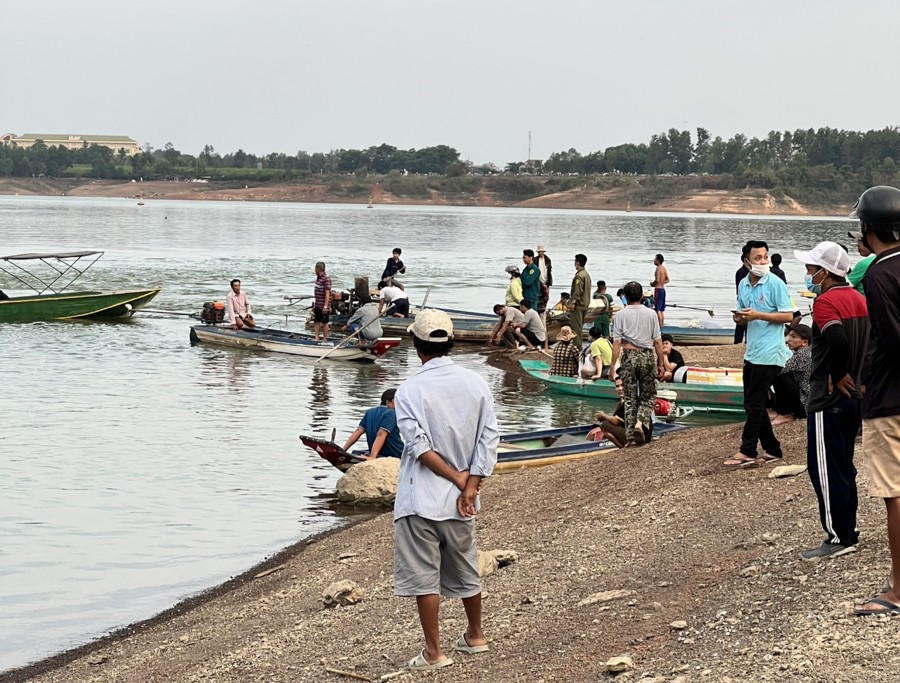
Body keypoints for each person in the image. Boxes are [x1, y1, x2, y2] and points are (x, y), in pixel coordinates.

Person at [393, 309, 498, 670]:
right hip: (461, 502)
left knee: (425, 577)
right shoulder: (476, 383)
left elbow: (418, 447)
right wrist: (471, 485)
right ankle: (475, 635)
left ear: (416, 344)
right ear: (451, 342)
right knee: (465, 565)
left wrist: (457, 479)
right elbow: (489, 437)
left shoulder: (409, 390)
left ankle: (435, 652)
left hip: (420, 498)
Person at [792, 242, 868, 562]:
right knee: (843, 465)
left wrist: (837, 374)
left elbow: (836, 338)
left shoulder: (825, 302)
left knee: (823, 467)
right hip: (856, 398)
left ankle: (838, 535)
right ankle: (848, 529)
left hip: (829, 399)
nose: (808, 274)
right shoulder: (860, 300)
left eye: (812, 269)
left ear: (825, 273)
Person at [847, 187, 900, 615]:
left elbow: (893, 341)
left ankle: (898, 590)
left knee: (894, 493)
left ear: (869, 228)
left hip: (890, 399)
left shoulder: (880, 274)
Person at [724, 240, 794, 468]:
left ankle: (748, 450)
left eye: (765, 257)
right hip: (752, 350)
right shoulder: (744, 284)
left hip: (771, 351)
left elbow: (788, 316)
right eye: (758, 258)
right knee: (752, 402)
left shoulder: (775, 283)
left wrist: (759, 315)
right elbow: (744, 312)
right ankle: (773, 449)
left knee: (754, 402)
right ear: (746, 262)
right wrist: (740, 318)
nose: (763, 261)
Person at [609, 281, 664, 447]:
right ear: (641, 296)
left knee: (630, 397)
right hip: (646, 355)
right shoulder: (651, 314)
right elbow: (658, 341)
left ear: (625, 296)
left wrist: (612, 367)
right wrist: (660, 363)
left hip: (628, 355)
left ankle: (631, 437)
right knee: (648, 395)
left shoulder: (620, 315)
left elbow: (617, 343)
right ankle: (640, 424)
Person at [342, 388, 404, 460]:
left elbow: (358, 431)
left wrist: (343, 451)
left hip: (378, 453)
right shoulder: (392, 413)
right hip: (396, 453)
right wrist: (372, 457)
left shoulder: (370, 412)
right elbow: (381, 434)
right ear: (388, 402)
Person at [770, 323, 812, 426]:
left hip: (805, 404)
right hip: (807, 401)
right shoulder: (808, 352)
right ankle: (777, 411)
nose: (788, 339)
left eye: (793, 337)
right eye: (789, 335)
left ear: (804, 342)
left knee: (778, 375)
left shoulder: (803, 354)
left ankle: (785, 414)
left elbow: (779, 371)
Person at [594, 373, 650, 448]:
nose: (620, 388)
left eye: (622, 385)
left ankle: (625, 447)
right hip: (633, 431)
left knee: (605, 425)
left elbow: (616, 421)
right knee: (606, 427)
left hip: (640, 436)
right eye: (617, 386)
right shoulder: (623, 400)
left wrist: (604, 416)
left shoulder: (629, 401)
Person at [567, 253, 591, 347]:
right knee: (580, 326)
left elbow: (577, 292)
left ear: (577, 263)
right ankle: (579, 345)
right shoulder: (586, 274)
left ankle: (577, 347)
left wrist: (572, 303)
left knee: (576, 327)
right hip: (585, 304)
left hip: (578, 305)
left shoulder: (579, 276)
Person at [847, 230, 876, 295]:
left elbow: (843, 286)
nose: (857, 245)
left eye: (861, 241)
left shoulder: (865, 264)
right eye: (857, 241)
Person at [734, 245, 750, 344]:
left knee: (747, 323)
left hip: (748, 300)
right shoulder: (742, 272)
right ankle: (737, 341)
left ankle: (747, 341)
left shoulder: (748, 272)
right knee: (741, 323)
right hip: (743, 299)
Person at [652, 254, 670, 327]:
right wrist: (662, 283)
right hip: (663, 289)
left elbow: (657, 280)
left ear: (658, 260)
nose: (654, 260)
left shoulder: (658, 268)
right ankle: (662, 325)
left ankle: (659, 326)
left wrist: (652, 284)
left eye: (655, 259)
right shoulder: (664, 268)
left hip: (658, 290)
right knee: (661, 310)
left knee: (658, 309)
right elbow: (668, 279)